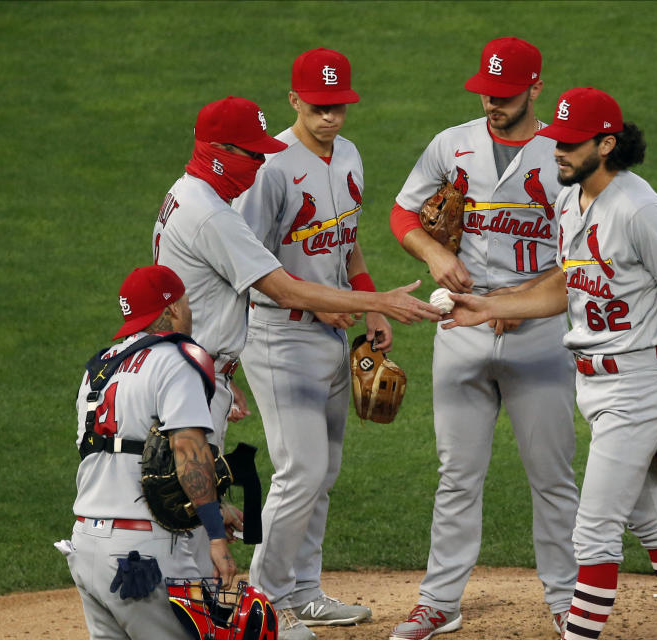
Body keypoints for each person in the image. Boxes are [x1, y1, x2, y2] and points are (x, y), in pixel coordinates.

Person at [444, 87, 657, 640]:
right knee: (650, 518)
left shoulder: (641, 211)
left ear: (606, 143)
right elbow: (568, 284)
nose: (556, 152)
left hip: (636, 385)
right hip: (592, 384)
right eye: (556, 141)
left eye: (569, 144)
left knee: (592, 533)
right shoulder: (571, 201)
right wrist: (490, 307)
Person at [387, 37, 580, 640]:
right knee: (457, 474)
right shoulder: (453, 144)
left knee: (551, 474)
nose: (493, 102)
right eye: (487, 93)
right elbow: (403, 214)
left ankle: (568, 601)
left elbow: (583, 254)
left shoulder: (562, 156)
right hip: (461, 330)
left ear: (535, 88)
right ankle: (439, 601)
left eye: (505, 94)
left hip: (542, 334)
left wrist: (520, 303)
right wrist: (433, 251)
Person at [152, 94, 441, 450]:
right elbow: (282, 289)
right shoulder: (213, 216)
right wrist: (380, 301)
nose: (260, 163)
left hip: (193, 369)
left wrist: (220, 377)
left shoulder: (185, 191)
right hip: (195, 375)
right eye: (252, 154)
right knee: (192, 498)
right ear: (219, 151)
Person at [232, 48, 377, 640]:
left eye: (340, 106)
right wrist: (332, 304)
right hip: (278, 335)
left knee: (326, 470)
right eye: (319, 108)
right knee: (301, 470)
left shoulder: (349, 155)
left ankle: (304, 592)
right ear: (293, 100)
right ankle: (260, 605)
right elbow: (250, 266)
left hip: (333, 334)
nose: (332, 118)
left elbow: (348, 242)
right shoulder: (271, 168)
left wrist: (367, 303)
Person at [66, 265, 236, 639]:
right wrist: (216, 537)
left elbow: (119, 459)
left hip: (85, 545)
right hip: (143, 556)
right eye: (186, 303)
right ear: (172, 308)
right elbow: (188, 451)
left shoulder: (98, 370)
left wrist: (212, 507)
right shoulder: (176, 361)